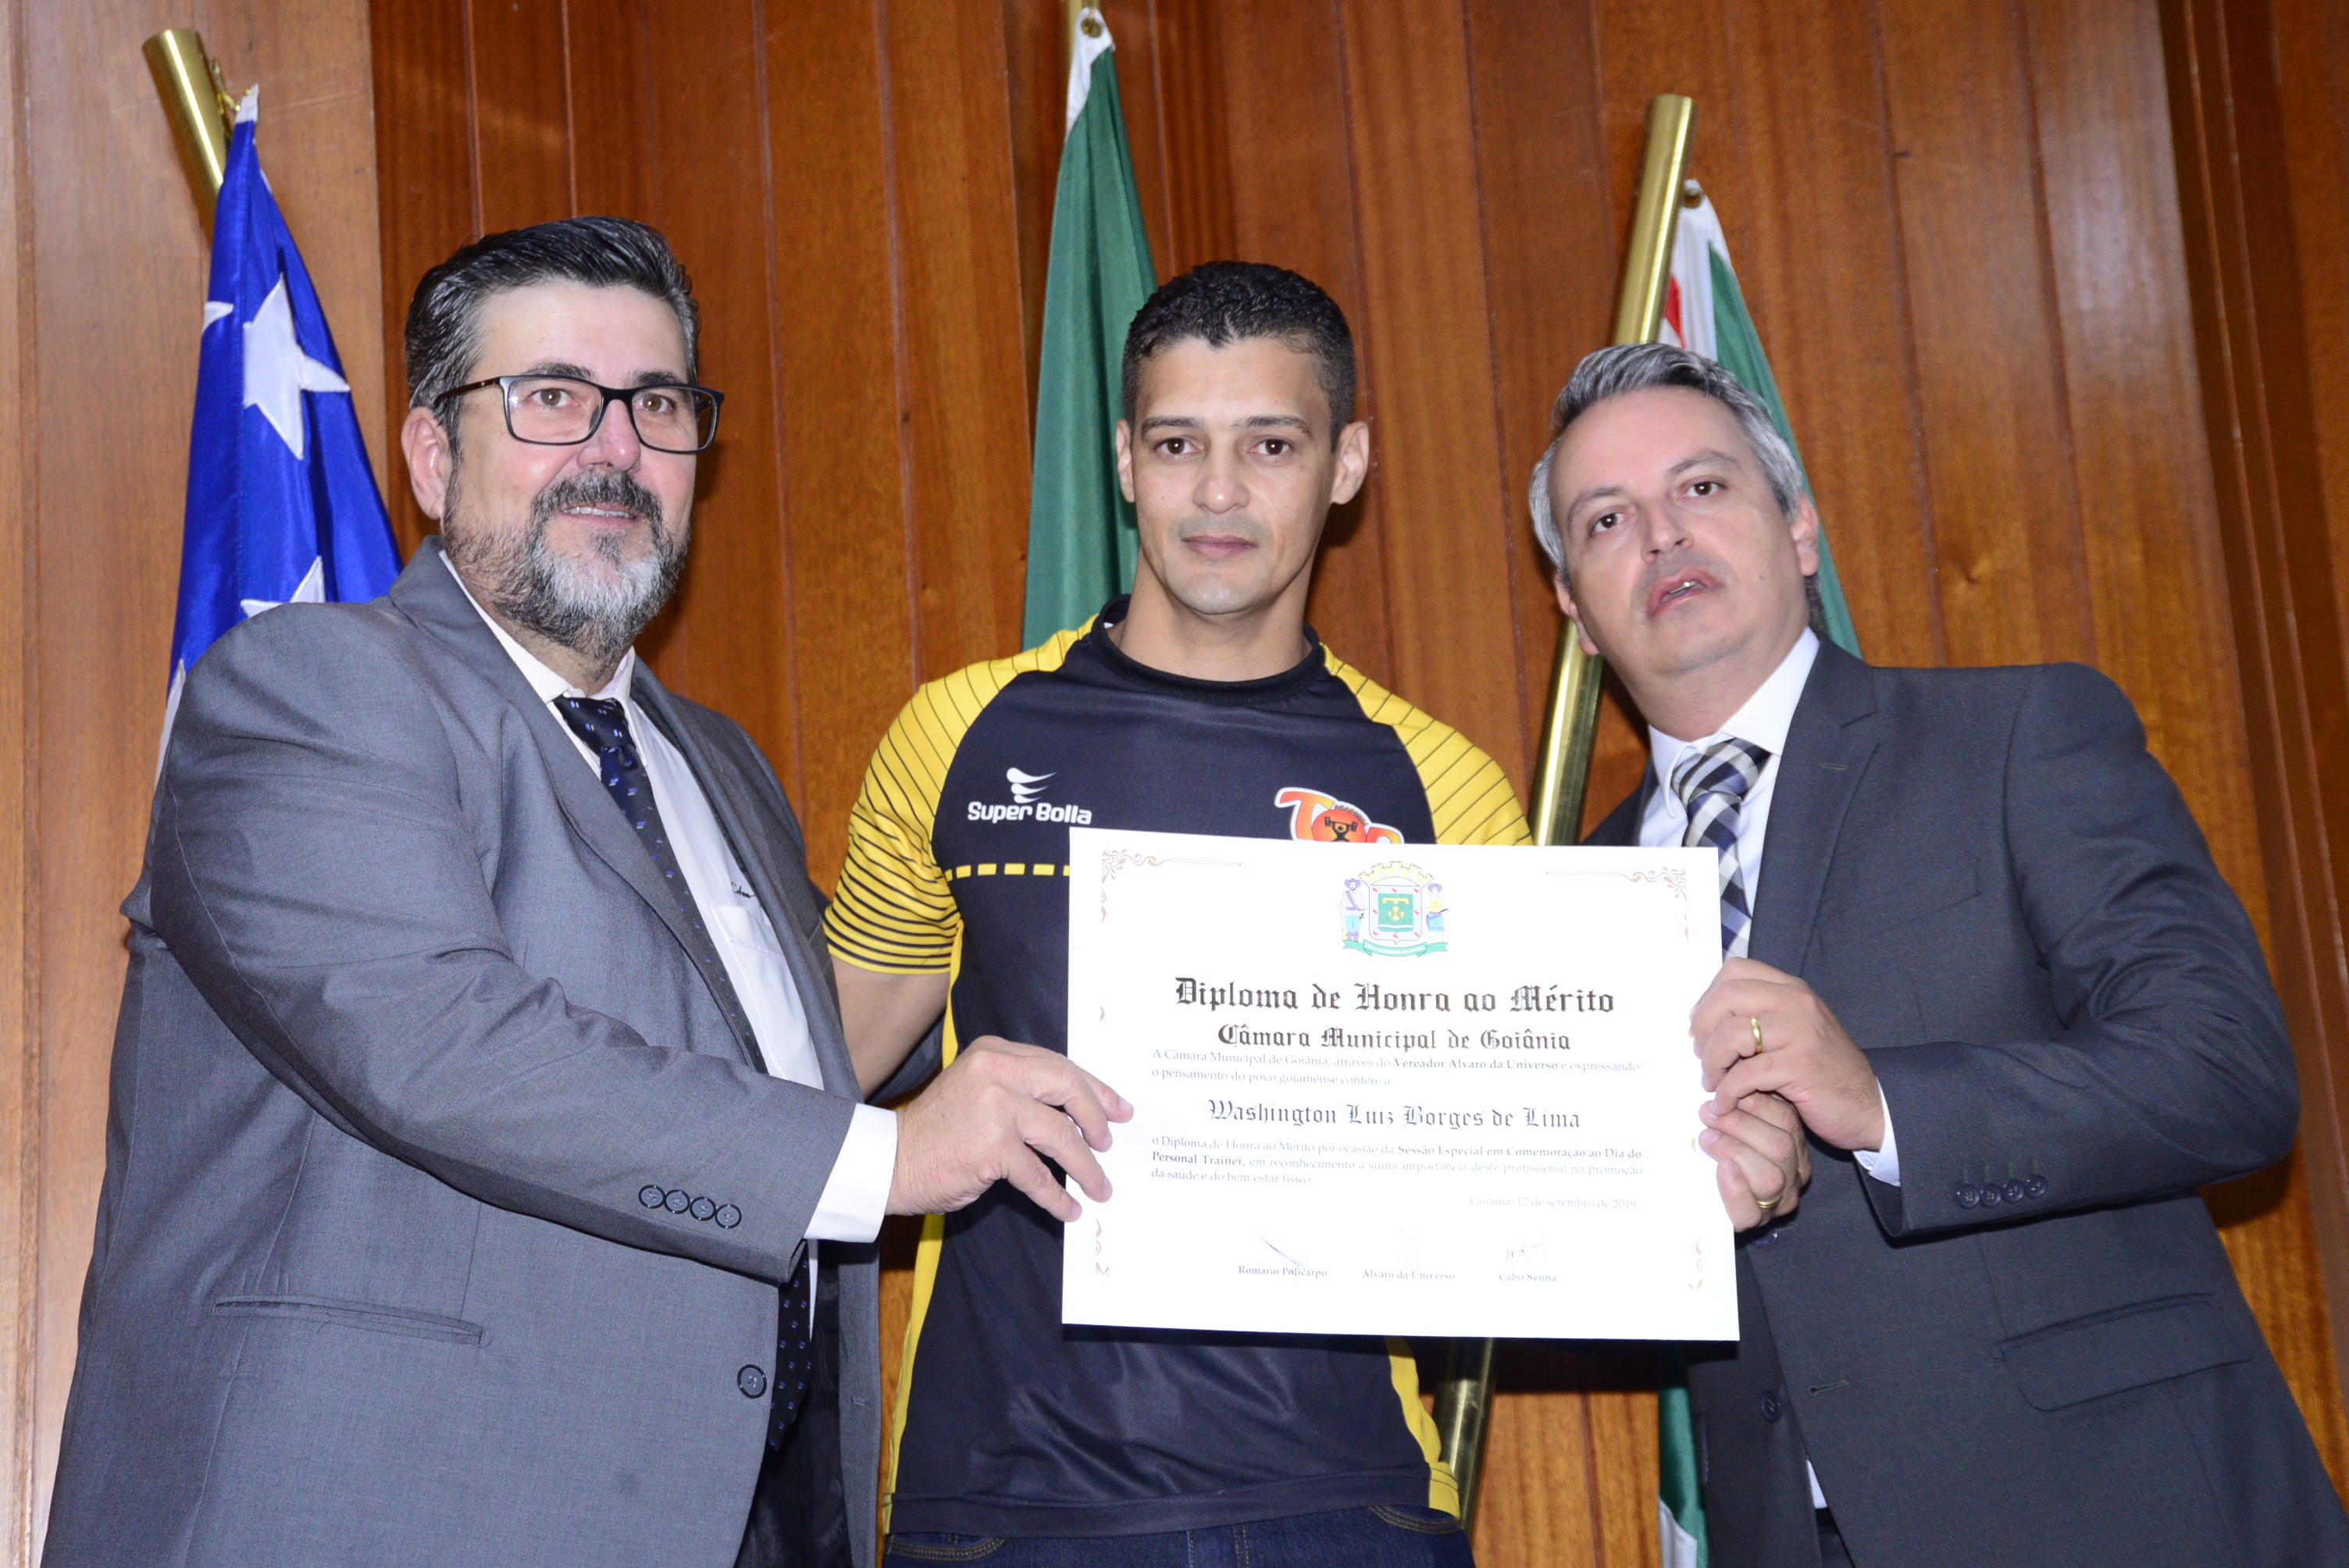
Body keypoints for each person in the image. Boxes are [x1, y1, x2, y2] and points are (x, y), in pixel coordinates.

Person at [42, 217, 1126, 1568]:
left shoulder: (722, 766)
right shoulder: (308, 687)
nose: (615, 448)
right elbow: (434, 1040)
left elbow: (806, 1064)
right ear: (431, 456)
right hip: (385, 1514)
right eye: (553, 397)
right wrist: (891, 1159)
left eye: (657, 405)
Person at [827, 263, 1808, 1566]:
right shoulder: (956, 734)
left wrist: (1700, 1172)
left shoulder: (1442, 785)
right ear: (1123, 461)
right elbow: (818, 1080)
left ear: (1347, 464)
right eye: (1178, 444)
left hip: (1352, 1503)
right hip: (998, 1501)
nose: (1218, 494)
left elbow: (1530, 1135)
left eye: (1271, 445)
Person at [1534, 340, 2349, 1568]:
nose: (1662, 535)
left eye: (1701, 487)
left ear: (1799, 526)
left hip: (2112, 1509)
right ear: (1574, 609)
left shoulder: (2017, 736)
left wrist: (1882, 1106)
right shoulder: (1569, 906)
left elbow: (2226, 1069)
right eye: (1607, 520)